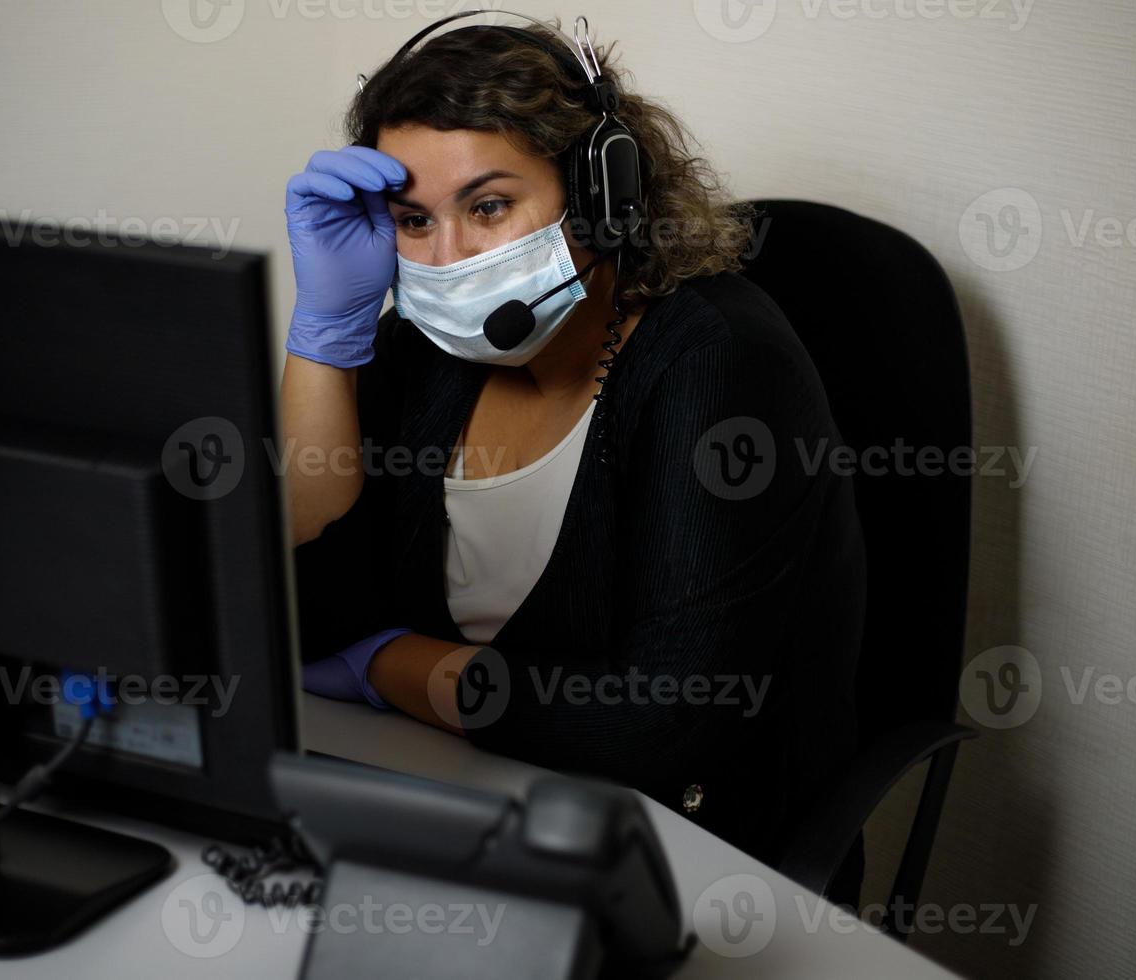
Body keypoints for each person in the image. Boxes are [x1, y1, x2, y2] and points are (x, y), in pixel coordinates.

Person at [281, 17, 867, 876]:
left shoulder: (720, 366)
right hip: (471, 795)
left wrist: (388, 666)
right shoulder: (432, 350)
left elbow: (660, 723)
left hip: (686, 854)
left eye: (487, 206)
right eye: (413, 219)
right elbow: (303, 591)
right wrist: (326, 338)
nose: (446, 260)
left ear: (604, 195)